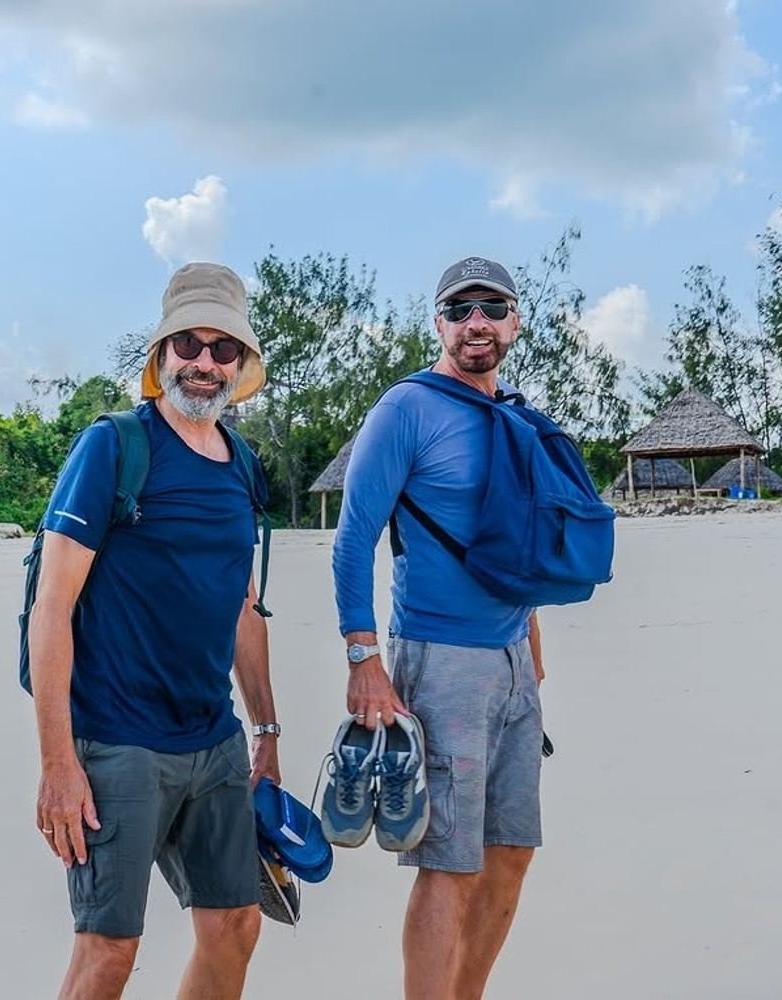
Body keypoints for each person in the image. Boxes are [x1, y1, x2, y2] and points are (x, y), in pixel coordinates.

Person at [27, 262, 281, 1000]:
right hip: (117, 741)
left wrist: (266, 732)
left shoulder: (243, 467)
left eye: (222, 348)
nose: (204, 362)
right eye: (187, 344)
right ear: (162, 353)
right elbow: (52, 606)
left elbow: (243, 607)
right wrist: (57, 763)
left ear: (240, 363)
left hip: (214, 740)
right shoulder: (114, 447)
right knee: (108, 950)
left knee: (236, 928)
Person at [332, 256, 547, 1000]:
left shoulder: (513, 412)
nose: (476, 323)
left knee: (511, 851)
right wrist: (364, 657)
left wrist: (531, 641)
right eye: (460, 310)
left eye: (492, 308)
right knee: (449, 862)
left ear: (515, 322)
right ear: (439, 324)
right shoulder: (406, 408)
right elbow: (353, 538)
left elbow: (513, 537)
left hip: (513, 657)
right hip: (441, 656)